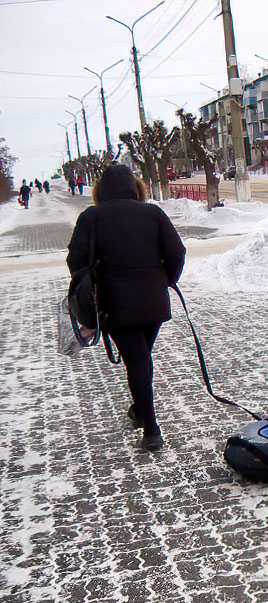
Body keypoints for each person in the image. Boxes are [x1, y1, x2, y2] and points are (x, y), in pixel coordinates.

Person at [67, 164, 186, 450]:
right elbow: (177, 252)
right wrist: (167, 279)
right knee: (141, 357)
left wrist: (90, 285)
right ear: (137, 188)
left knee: (137, 359)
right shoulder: (153, 213)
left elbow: (75, 261)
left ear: (100, 191)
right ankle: (140, 410)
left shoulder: (91, 217)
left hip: (115, 303)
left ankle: (151, 429)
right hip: (153, 301)